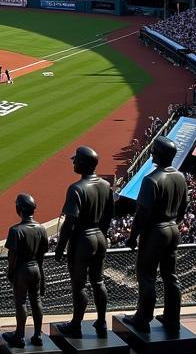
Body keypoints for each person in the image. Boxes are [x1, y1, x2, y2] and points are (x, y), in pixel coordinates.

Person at [120, 136, 188, 334]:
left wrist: (133, 237)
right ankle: (172, 317)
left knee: (146, 276)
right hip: (172, 229)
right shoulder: (180, 177)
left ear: (158, 154)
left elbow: (142, 212)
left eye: (154, 151)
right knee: (171, 276)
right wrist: (174, 222)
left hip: (155, 232)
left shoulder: (151, 180)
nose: (151, 154)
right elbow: (183, 207)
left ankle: (143, 318)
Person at [54, 146, 113, 339]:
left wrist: (60, 248)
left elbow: (70, 222)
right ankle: (102, 321)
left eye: (76, 160)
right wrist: (102, 234)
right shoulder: (105, 186)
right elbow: (108, 216)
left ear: (83, 163)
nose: (73, 162)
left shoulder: (76, 188)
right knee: (98, 281)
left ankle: (76, 324)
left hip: (82, 239)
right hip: (99, 237)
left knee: (79, 285)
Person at [1, 193, 47, 349]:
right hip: (36, 268)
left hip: (22, 269)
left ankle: (19, 336)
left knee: (21, 302)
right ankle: (38, 335)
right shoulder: (41, 228)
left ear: (19, 209)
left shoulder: (16, 230)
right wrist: (42, 273)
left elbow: (12, 255)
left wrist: (10, 271)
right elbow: (41, 255)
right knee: (36, 301)